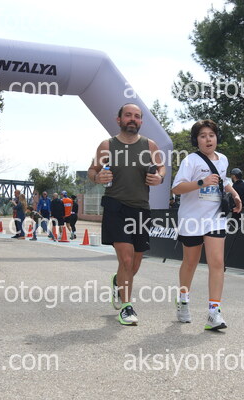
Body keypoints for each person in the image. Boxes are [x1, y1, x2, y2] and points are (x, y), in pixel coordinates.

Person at [88, 103, 165, 326]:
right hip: (116, 207)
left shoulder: (150, 145)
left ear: (141, 121)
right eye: (128, 115)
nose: (133, 119)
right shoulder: (107, 145)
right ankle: (126, 307)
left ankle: (118, 282)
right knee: (127, 258)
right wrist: (97, 178)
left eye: (137, 116)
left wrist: (159, 177)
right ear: (119, 119)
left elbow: (161, 168)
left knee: (134, 265)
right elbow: (92, 170)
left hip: (141, 209)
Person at [171, 119, 242, 330]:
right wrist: (201, 182)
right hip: (192, 219)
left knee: (217, 263)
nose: (208, 139)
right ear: (197, 140)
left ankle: (214, 312)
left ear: (217, 137)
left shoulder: (223, 159)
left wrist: (235, 194)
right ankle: (183, 300)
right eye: (203, 136)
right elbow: (177, 188)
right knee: (190, 262)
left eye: (211, 135)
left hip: (215, 217)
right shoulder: (190, 161)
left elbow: (223, 180)